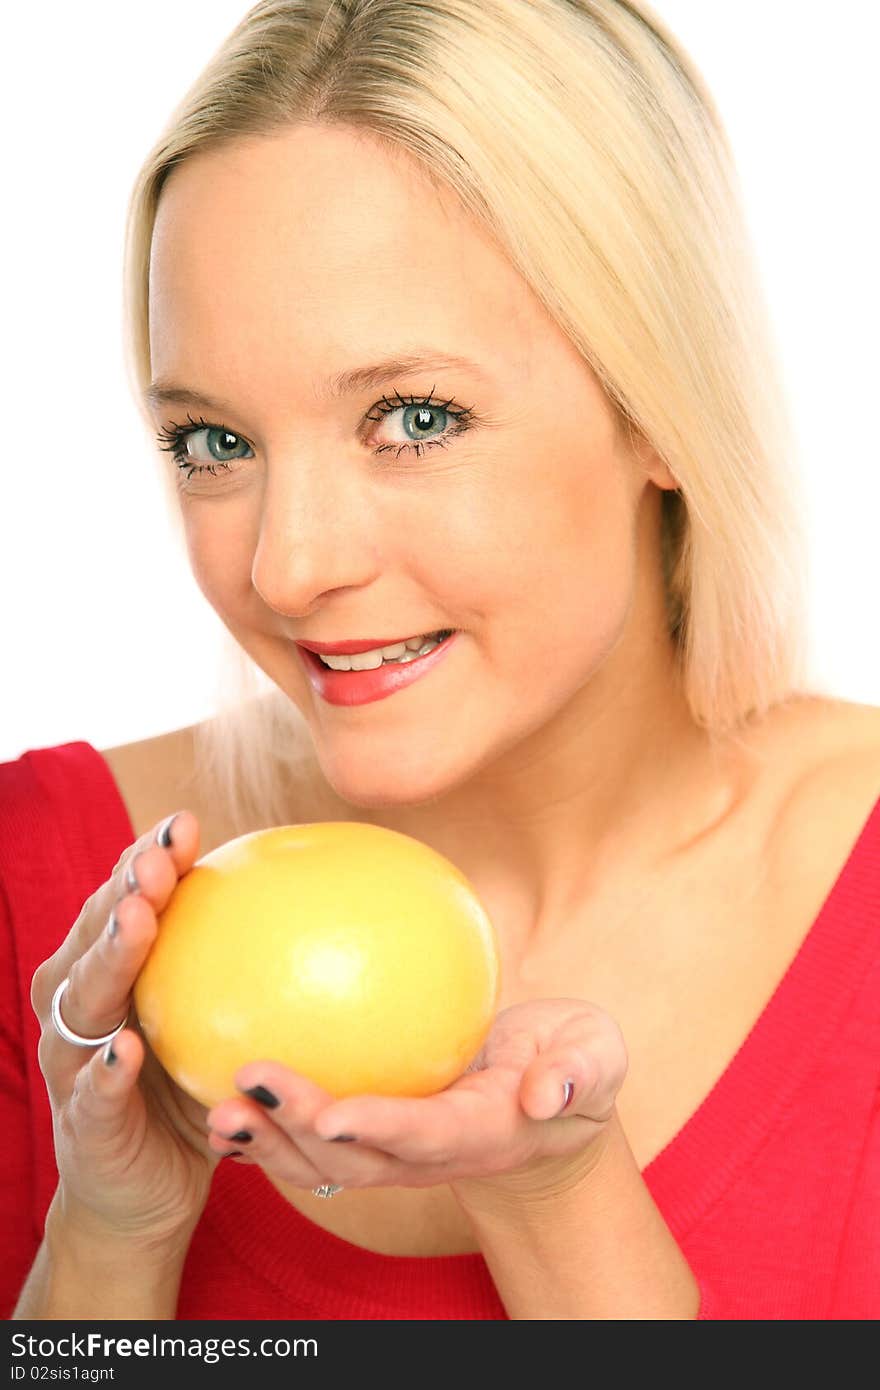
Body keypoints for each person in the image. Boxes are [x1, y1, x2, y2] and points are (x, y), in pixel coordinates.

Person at [2, 0, 878, 1321]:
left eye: (414, 418)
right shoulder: (44, 892)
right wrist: (111, 1234)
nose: (287, 567)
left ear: (661, 409)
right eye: (214, 442)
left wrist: (557, 1199)